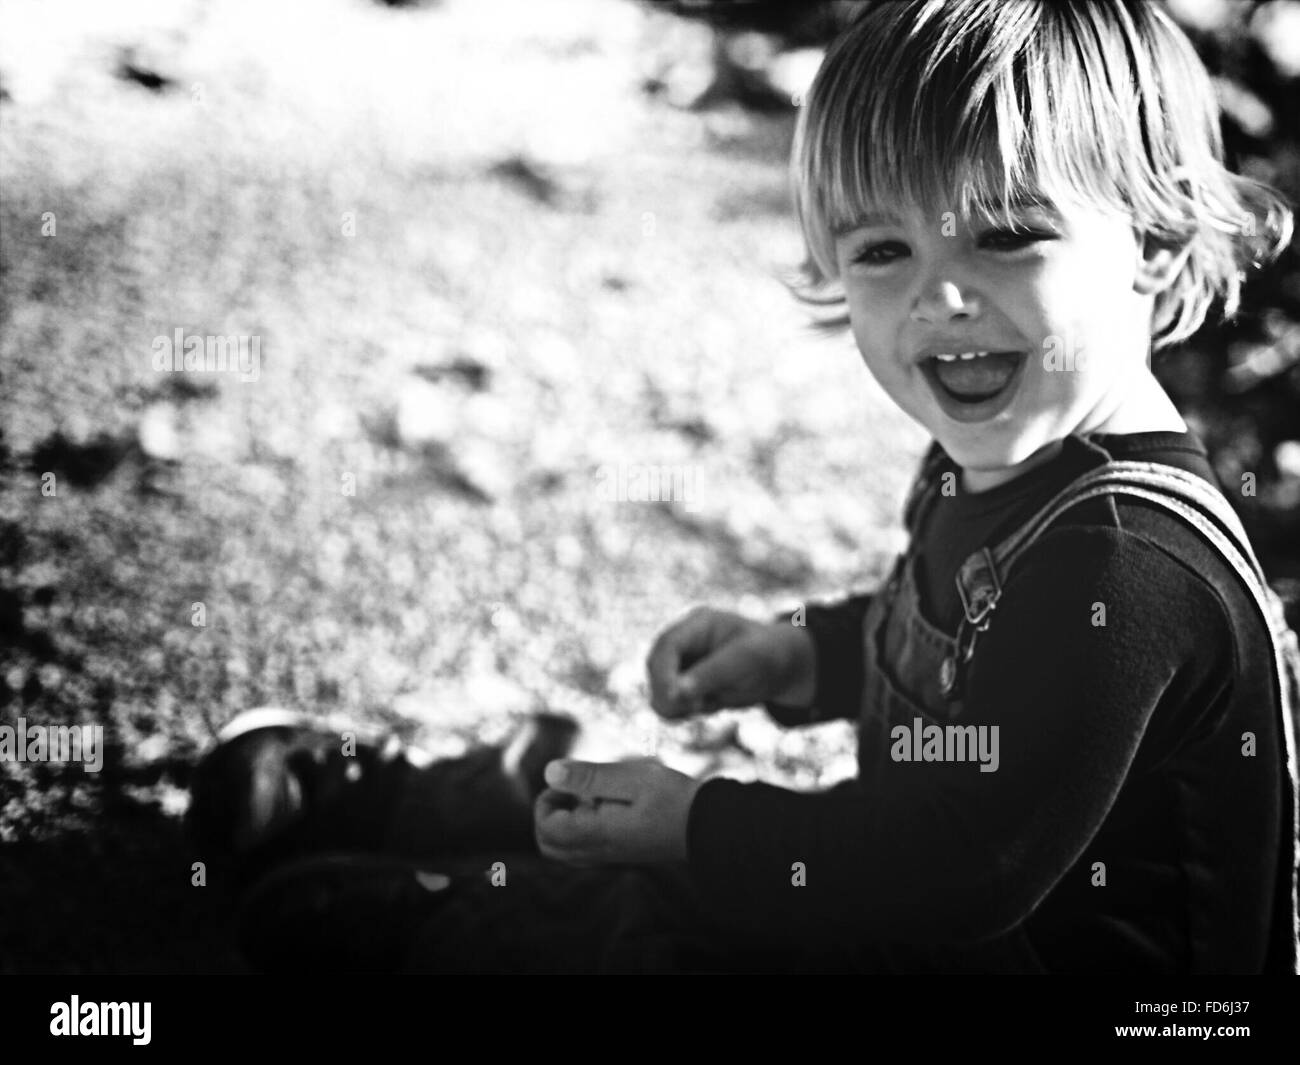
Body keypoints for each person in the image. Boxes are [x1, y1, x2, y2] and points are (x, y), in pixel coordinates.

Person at [192, 0, 1299, 973]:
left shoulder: (1125, 562)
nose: (941, 299)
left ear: (1150, 244)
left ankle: (483, 907)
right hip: (935, 905)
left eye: (1008, 237)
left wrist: (696, 827)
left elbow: (966, 871)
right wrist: (801, 655)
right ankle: (485, 801)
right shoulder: (1016, 449)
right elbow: (975, 648)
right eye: (882, 252)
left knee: (686, 921)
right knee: (754, 849)